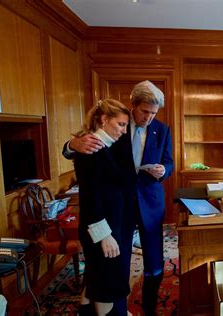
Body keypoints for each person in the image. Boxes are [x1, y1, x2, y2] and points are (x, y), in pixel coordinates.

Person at [64, 81, 174, 316]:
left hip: (149, 204)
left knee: (154, 264)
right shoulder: (115, 125)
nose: (149, 118)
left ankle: (149, 308)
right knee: (115, 262)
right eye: (145, 111)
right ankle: (118, 309)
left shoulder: (162, 130)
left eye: (154, 113)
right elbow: (85, 153)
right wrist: (72, 144)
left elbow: (169, 161)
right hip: (116, 210)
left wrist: (164, 170)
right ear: (133, 105)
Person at [73, 99, 135, 316]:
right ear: (104, 119)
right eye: (120, 124)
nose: (124, 130)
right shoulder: (90, 146)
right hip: (101, 229)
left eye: (126, 126)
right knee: (106, 286)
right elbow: (90, 197)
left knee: (95, 280)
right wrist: (104, 236)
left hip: (109, 225)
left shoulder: (107, 145)